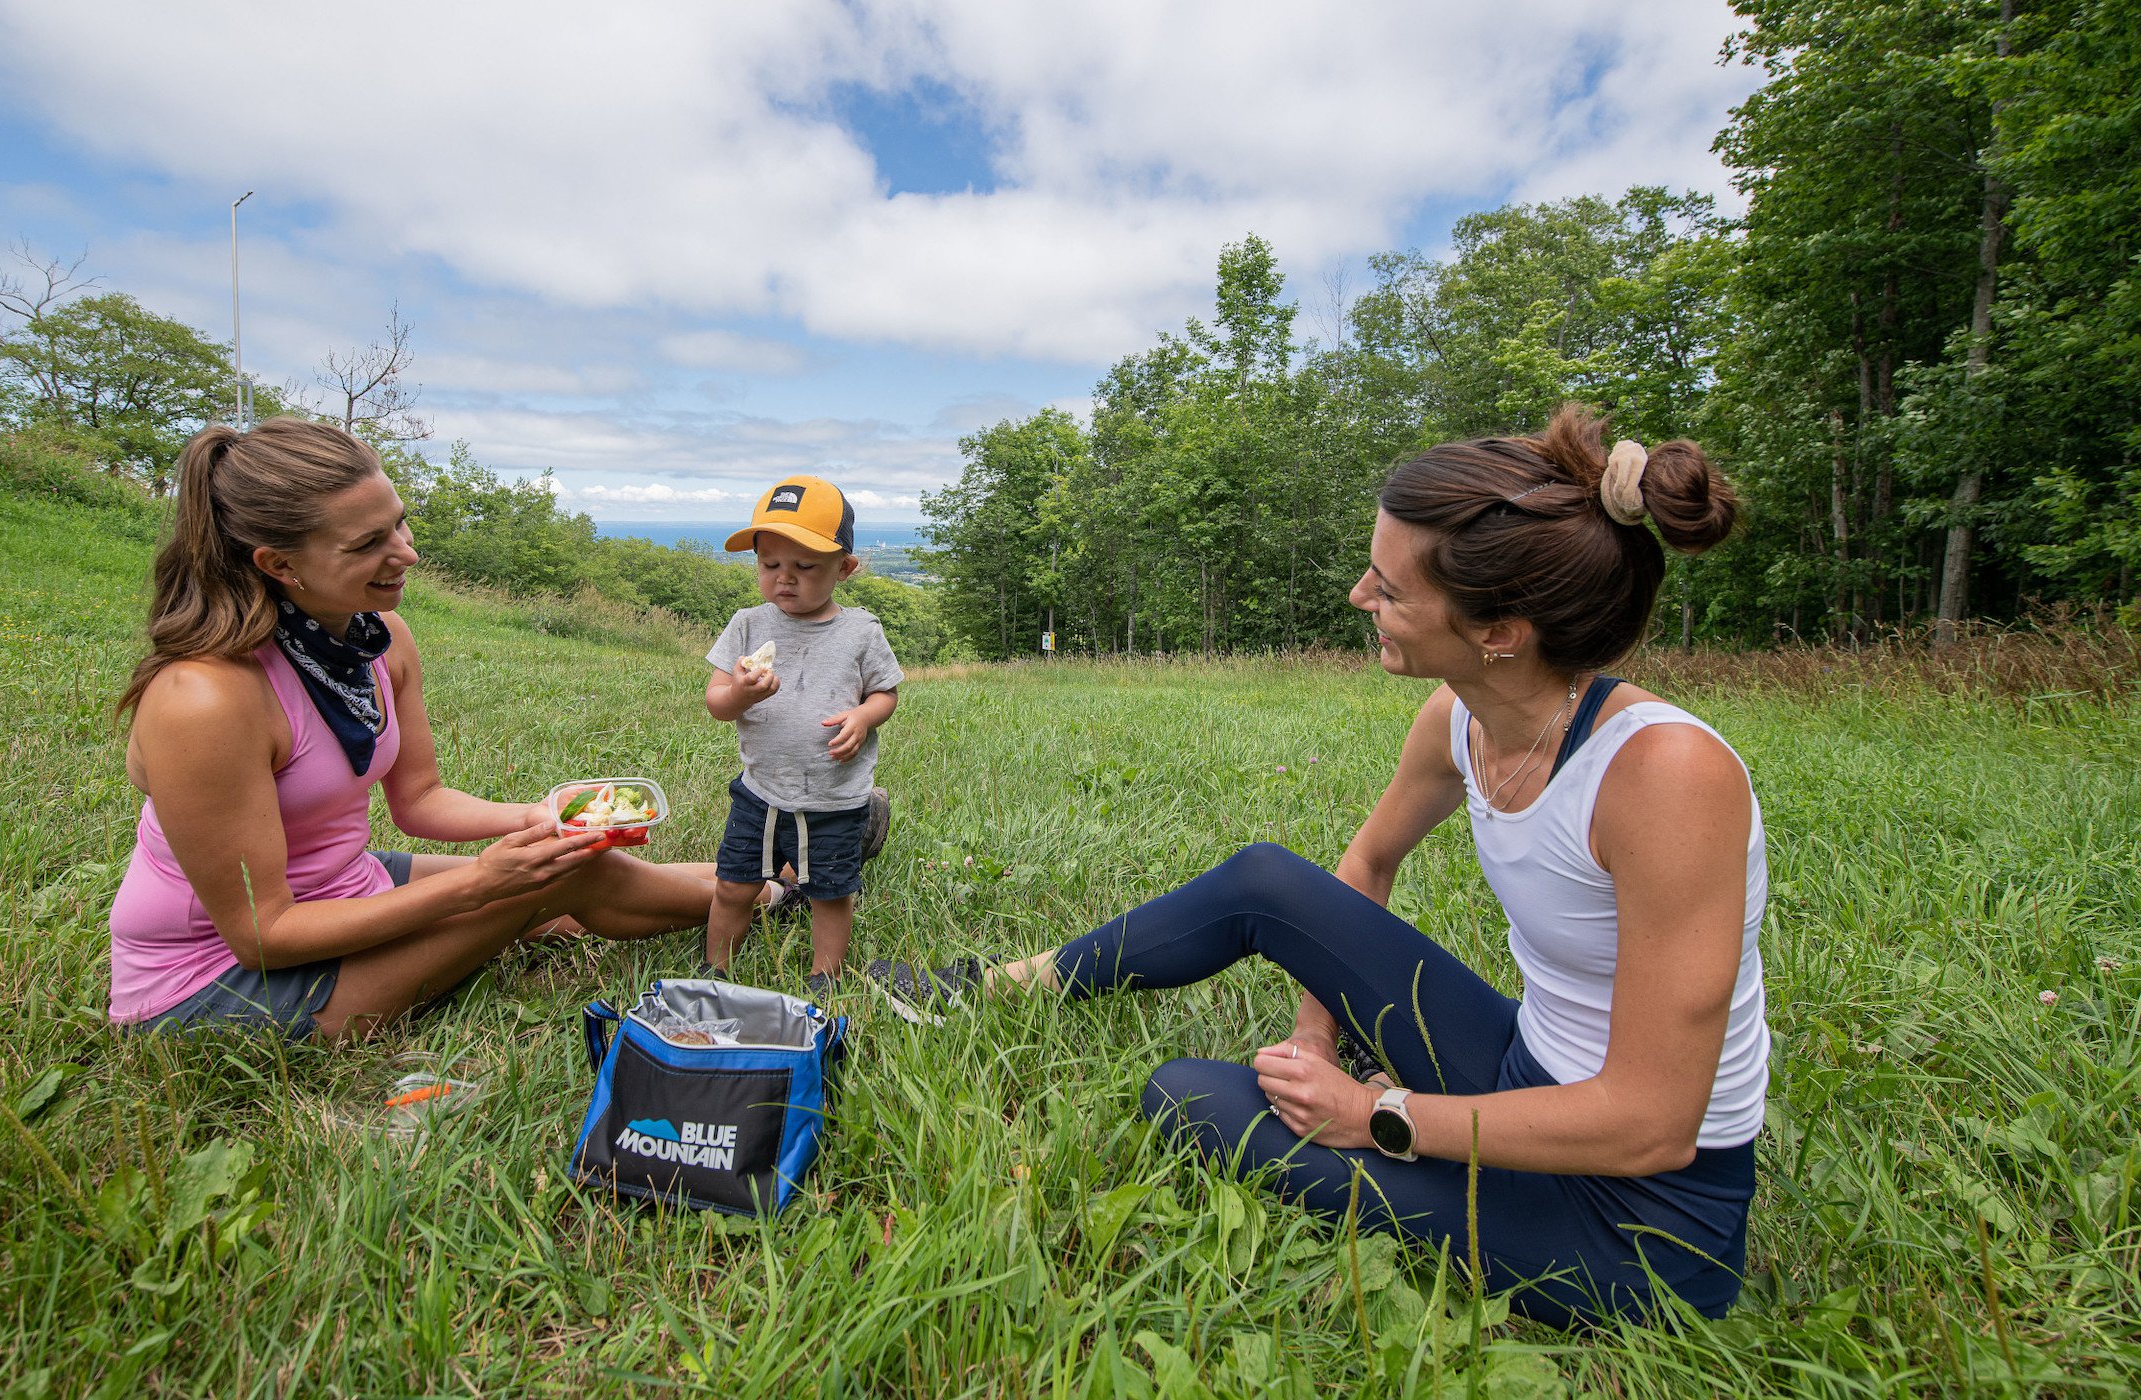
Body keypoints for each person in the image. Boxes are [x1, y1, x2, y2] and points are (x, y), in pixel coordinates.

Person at [868, 406, 1765, 1327]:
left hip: (1642, 1220)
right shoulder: (1462, 718)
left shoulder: (1664, 777)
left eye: (1389, 586)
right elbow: (1369, 862)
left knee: (1185, 1097)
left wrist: (1382, 1117)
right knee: (1265, 879)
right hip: (1520, 1066)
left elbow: (1653, 1122)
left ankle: (1440, 1152)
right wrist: (1314, 1040)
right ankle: (1001, 987)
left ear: (1501, 630)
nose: (1357, 597)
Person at [108, 418, 775, 1040]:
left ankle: (774, 879)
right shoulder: (204, 700)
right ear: (279, 565)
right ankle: (781, 892)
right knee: (551, 886)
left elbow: (419, 800)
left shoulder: (380, 638)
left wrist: (537, 816)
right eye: (369, 544)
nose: (409, 553)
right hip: (218, 983)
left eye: (399, 525)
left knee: (568, 863)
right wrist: (482, 882)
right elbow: (263, 932)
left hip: (345, 884)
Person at [700, 476, 901, 996]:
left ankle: (824, 979)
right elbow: (716, 702)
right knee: (732, 884)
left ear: (845, 568)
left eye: (804, 567)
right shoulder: (747, 624)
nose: (783, 580)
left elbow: (886, 694)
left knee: (830, 893)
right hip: (760, 792)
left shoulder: (861, 632)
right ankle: (715, 969)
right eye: (769, 565)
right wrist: (742, 694)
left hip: (834, 799)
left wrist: (863, 717)